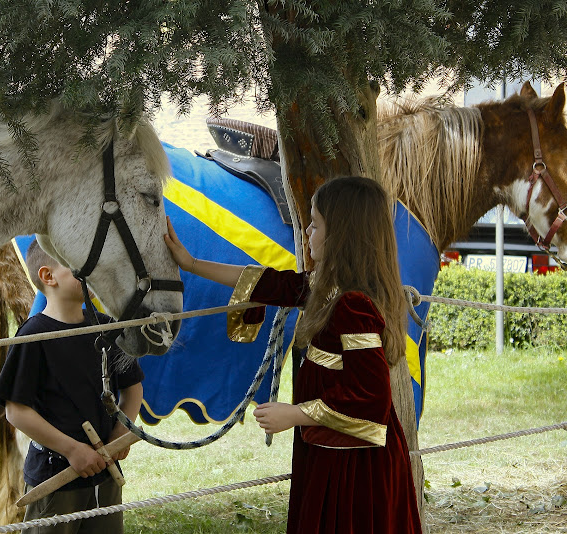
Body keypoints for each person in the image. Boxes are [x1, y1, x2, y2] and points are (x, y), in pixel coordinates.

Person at [164, 176, 422, 534]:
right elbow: (271, 283)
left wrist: (294, 414)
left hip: (354, 466)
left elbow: (370, 400)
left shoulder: (353, 306)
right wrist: (191, 263)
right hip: (331, 450)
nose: (306, 232)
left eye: (315, 224)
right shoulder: (327, 290)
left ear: (341, 236)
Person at [0, 240, 144, 534]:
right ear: (49, 277)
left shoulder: (105, 326)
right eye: (79, 267)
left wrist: (121, 433)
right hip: (56, 476)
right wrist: (72, 449)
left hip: (105, 475)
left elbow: (133, 386)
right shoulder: (33, 335)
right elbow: (16, 411)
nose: (92, 273)